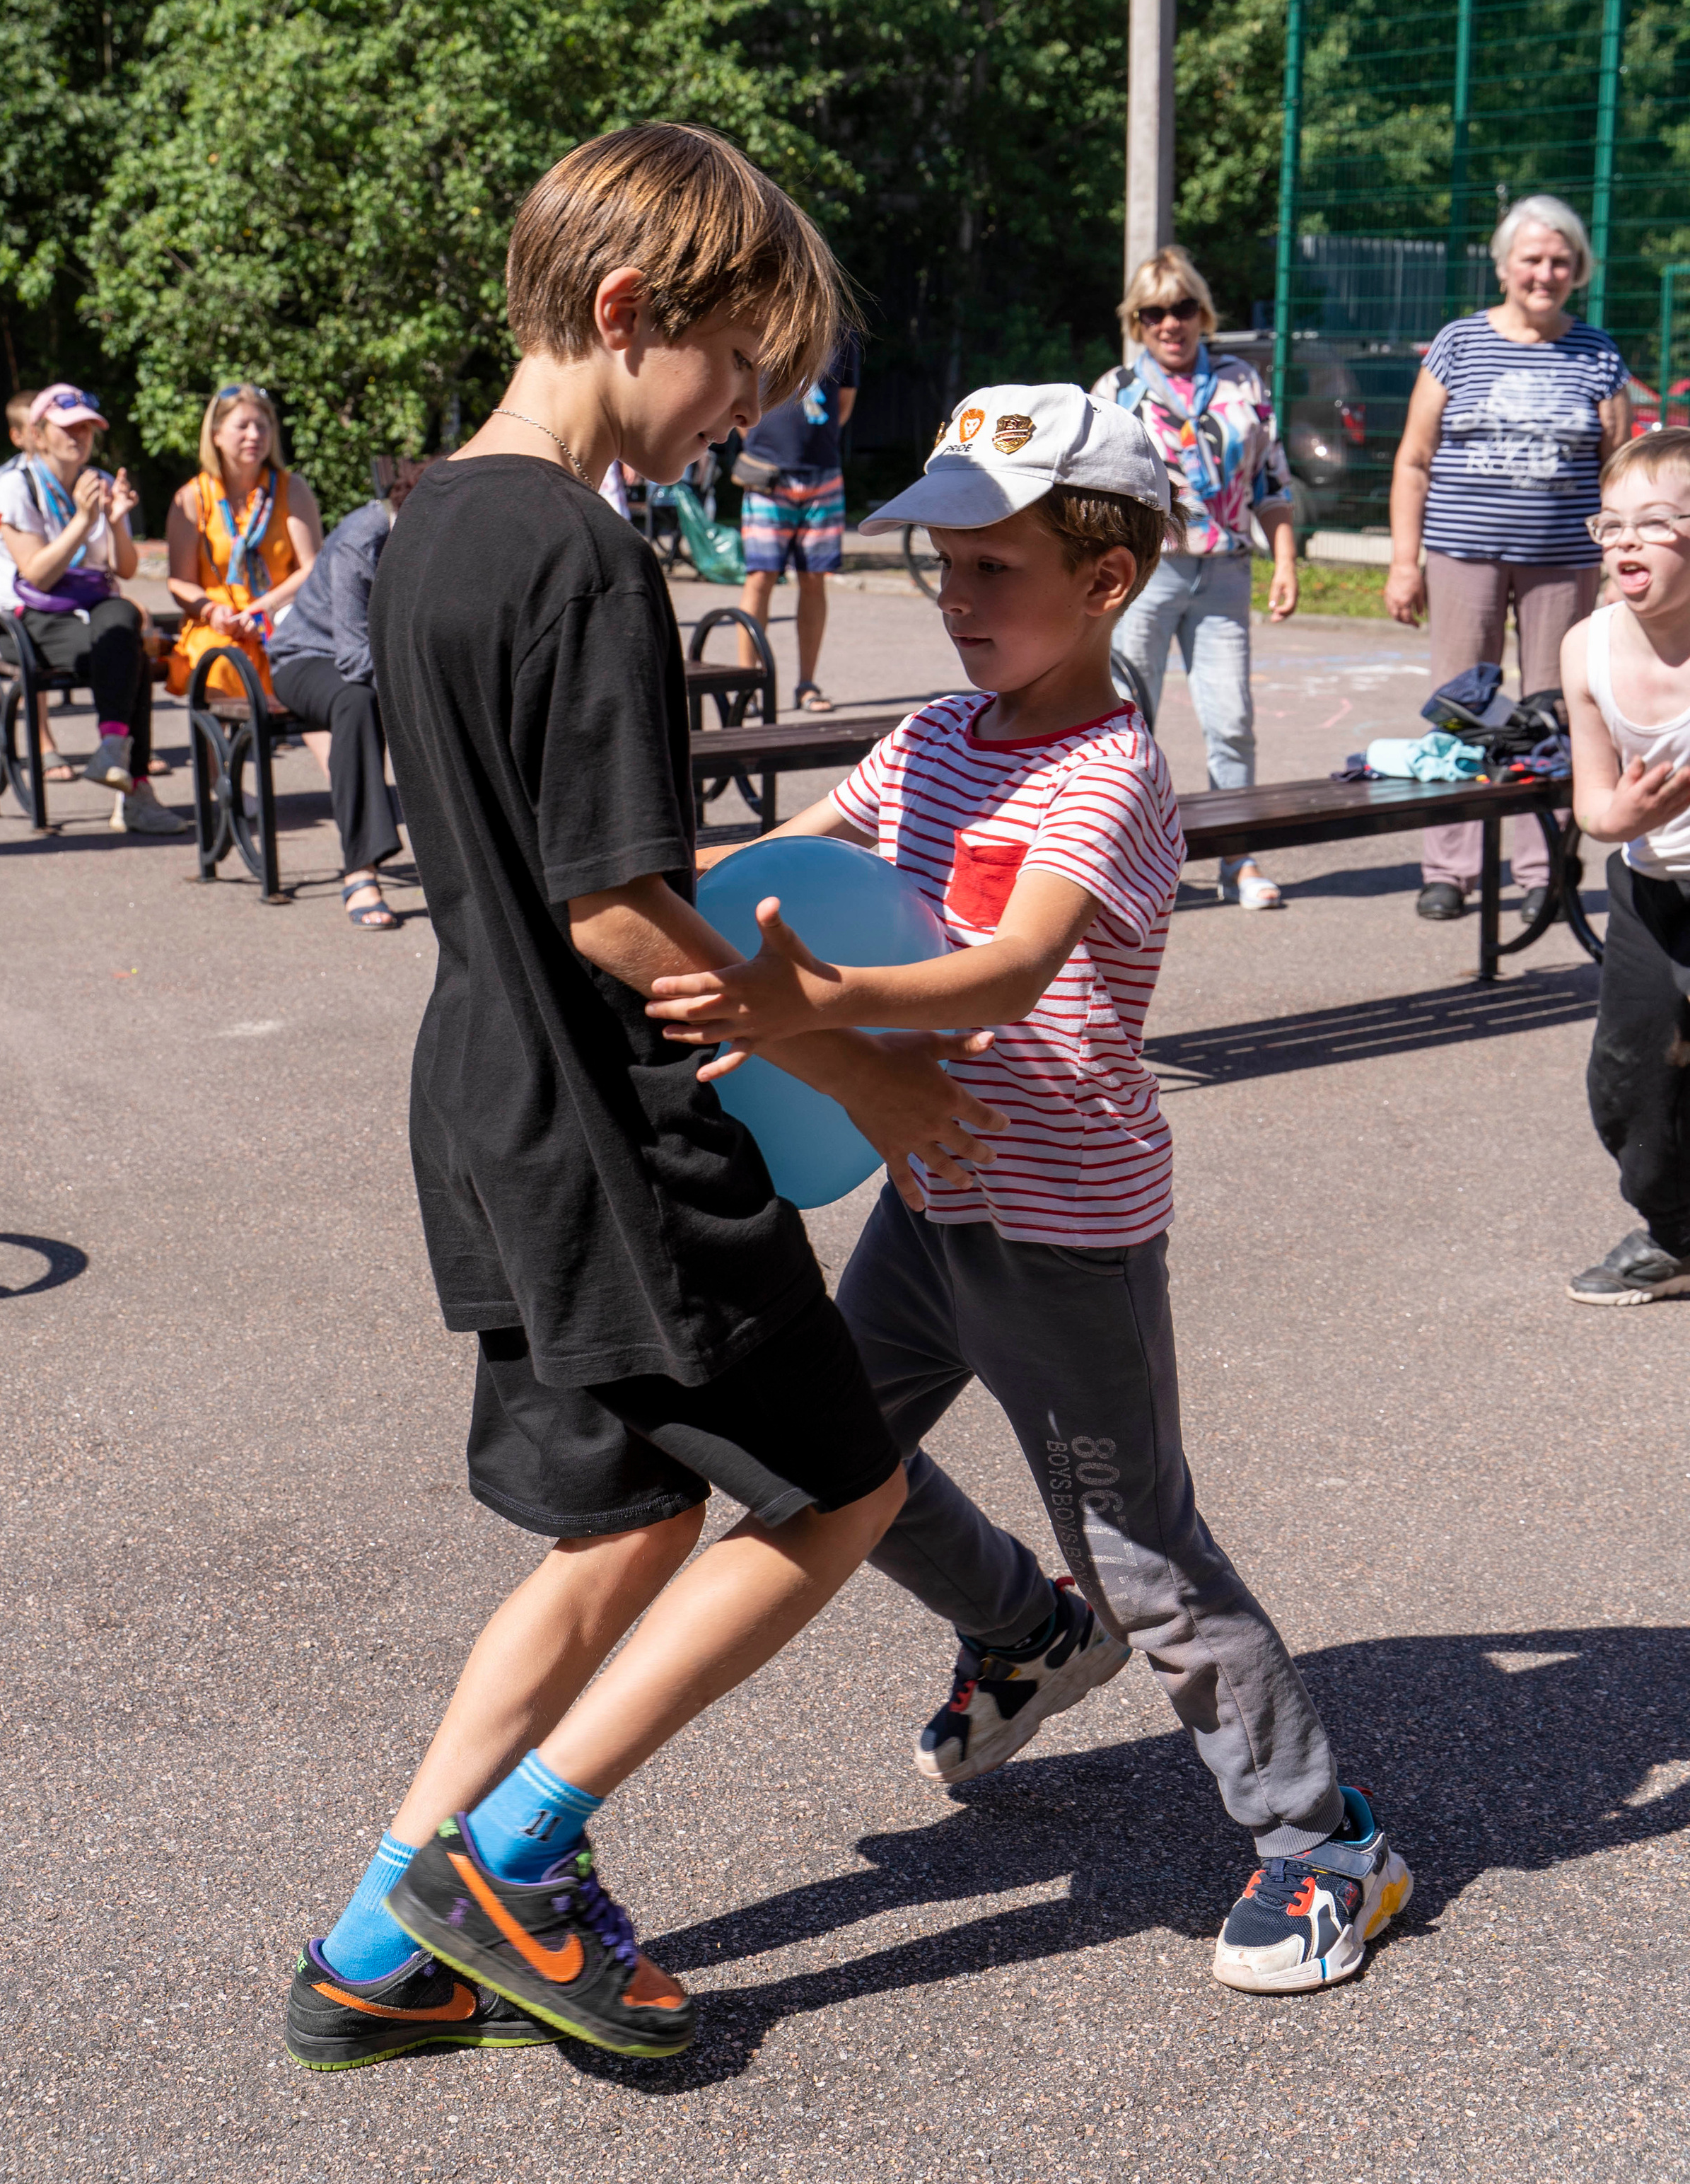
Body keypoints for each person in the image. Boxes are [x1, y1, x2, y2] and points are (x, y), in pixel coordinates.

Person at [284, 122, 1005, 2074]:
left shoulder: (428, 519)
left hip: (487, 1109)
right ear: (629, 314)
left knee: (608, 1532)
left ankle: (379, 1941)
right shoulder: (588, 555)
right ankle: (513, 1863)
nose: (745, 423)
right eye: (737, 377)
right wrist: (867, 1071)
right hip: (613, 1130)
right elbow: (615, 909)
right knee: (837, 1489)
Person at [649, 380, 1411, 1996]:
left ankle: (1325, 1838)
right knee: (820, 1450)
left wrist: (811, 1004)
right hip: (926, 1198)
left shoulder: (1106, 771)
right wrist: (643, 912)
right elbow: (785, 858)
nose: (956, 596)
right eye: (943, 564)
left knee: (1140, 1546)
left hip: (1061, 1226)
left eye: (993, 568)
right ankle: (1016, 1627)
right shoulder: (930, 737)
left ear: (1106, 579)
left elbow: (1006, 966)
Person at [1385, 192, 1629, 924]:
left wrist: (1618, 570)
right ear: (1503, 268)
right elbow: (1414, 460)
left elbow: (1620, 471)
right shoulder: (1459, 342)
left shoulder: (1597, 354)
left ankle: (1540, 869)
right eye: (1531, 259)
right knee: (1462, 707)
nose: (1545, 273)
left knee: (1551, 713)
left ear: (1576, 270)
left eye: (1560, 261)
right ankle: (1451, 868)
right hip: (1463, 556)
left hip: (1564, 561)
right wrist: (1405, 560)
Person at [1092, 248, 1298, 910]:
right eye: (1154, 313)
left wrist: (1287, 559)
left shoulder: (1242, 383)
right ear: (1137, 321)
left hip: (1226, 571)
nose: (1170, 324)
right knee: (1127, 722)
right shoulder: (1117, 391)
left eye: (1182, 308)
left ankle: (1236, 858)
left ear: (1202, 313)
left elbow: (1272, 478)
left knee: (1231, 719)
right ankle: (1132, 864)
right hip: (1143, 574)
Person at [1560, 428, 1690, 1302]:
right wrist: (1629, 816)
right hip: (1648, 891)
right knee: (1627, 1080)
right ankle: (1675, 1234)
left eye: (1653, 522)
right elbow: (1595, 805)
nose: (1626, 541)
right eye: (1610, 526)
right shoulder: (1587, 647)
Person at [0, 384, 183, 836]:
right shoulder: (14, 486)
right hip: (30, 617)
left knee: (125, 620)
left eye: (88, 428)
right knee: (125, 647)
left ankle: (112, 749)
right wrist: (81, 520)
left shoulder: (101, 481)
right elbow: (37, 574)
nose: (81, 436)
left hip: (94, 610)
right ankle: (137, 791)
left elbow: (125, 569)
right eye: (68, 427)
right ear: (37, 433)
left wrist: (114, 521)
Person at [267, 458, 424, 929]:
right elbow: (355, 658)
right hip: (304, 657)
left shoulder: (429, 539)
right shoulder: (364, 539)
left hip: (364, 664)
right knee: (357, 698)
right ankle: (361, 870)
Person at [165, 384, 321, 704]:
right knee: (217, 664)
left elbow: (313, 567)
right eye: (243, 426)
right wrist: (211, 611)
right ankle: (220, 756)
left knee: (318, 670)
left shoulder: (292, 490)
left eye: (262, 427)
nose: (254, 436)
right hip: (219, 624)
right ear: (216, 435)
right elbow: (180, 582)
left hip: (279, 619)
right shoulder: (192, 498)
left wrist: (265, 609)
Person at [735, 332, 860, 711]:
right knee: (760, 578)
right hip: (767, 474)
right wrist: (759, 444)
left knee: (814, 579)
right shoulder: (764, 323)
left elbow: (844, 404)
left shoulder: (841, 334)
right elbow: (739, 395)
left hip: (823, 473)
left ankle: (807, 684)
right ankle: (746, 684)